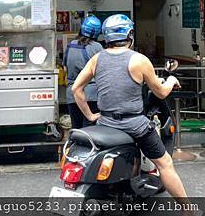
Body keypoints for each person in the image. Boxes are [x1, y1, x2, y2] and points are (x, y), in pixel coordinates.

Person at [72, 14, 191, 212]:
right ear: (129, 34)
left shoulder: (97, 58)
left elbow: (76, 89)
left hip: (106, 123)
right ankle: (189, 210)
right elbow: (160, 92)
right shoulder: (139, 60)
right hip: (134, 124)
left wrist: (91, 116)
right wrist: (170, 81)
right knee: (165, 164)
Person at [63, 15, 102, 129]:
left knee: (77, 130)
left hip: (72, 96)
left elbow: (65, 67)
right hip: (91, 96)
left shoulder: (70, 46)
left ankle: (74, 147)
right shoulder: (97, 47)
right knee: (89, 131)